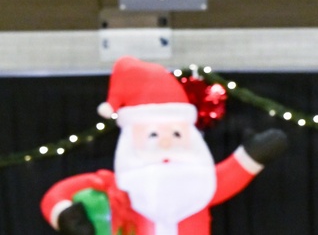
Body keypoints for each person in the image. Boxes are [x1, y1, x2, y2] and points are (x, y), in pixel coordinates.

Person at [40, 56, 287, 235]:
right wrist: (64, 214)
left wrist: (252, 156)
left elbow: (225, 179)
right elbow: (56, 195)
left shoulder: (198, 188)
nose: (167, 142)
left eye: (177, 134)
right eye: (154, 135)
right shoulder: (117, 189)